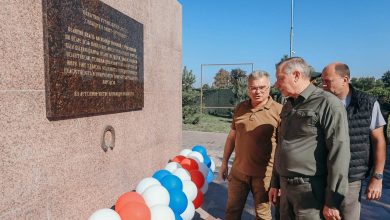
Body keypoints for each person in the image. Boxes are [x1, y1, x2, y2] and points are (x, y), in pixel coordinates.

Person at [268, 57, 350, 220]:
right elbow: (282, 146)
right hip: (285, 189)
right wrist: (275, 183)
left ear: (297, 75)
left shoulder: (327, 103)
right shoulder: (289, 104)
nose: (276, 84)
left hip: (310, 192)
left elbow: (339, 153)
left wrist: (332, 201)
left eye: (280, 78)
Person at [321, 62, 386, 219]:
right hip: (321, 174)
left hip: (351, 177)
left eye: (328, 81)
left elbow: (379, 141)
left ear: (345, 79)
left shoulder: (367, 103)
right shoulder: (321, 101)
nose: (324, 85)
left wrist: (377, 177)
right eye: (322, 81)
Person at [219, 71, 282, 220]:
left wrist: (278, 180)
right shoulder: (241, 107)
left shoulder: (279, 111)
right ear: (248, 89)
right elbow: (231, 137)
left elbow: (284, 148)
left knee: (262, 215)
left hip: (264, 176)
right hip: (238, 173)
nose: (258, 91)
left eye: (262, 87)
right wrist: (223, 164)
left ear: (269, 87)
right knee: (231, 211)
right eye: (253, 88)